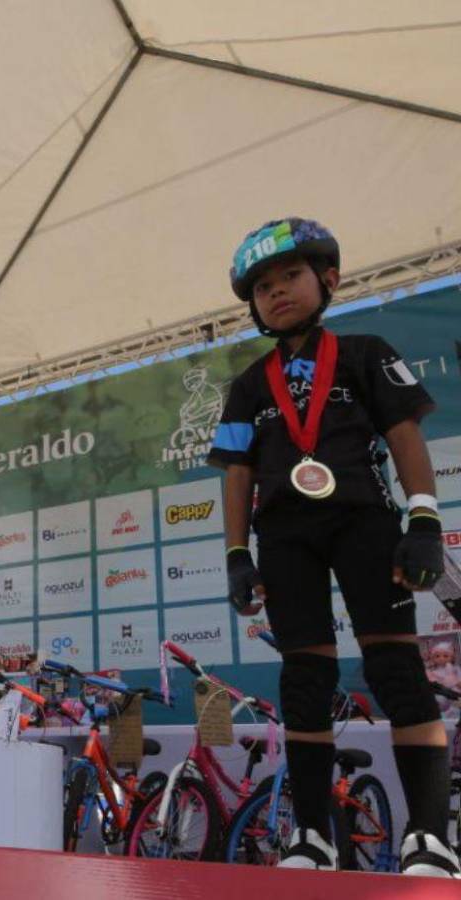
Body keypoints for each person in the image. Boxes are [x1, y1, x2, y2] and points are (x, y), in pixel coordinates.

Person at [209, 217, 458, 878]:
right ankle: (313, 836)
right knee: (305, 682)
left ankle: (430, 838)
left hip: (365, 524)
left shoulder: (366, 351)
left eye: (290, 275)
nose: (277, 292)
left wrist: (426, 520)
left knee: (397, 673)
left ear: (329, 278)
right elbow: (236, 474)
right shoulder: (246, 386)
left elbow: (404, 435)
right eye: (262, 287)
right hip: (284, 537)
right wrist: (237, 556)